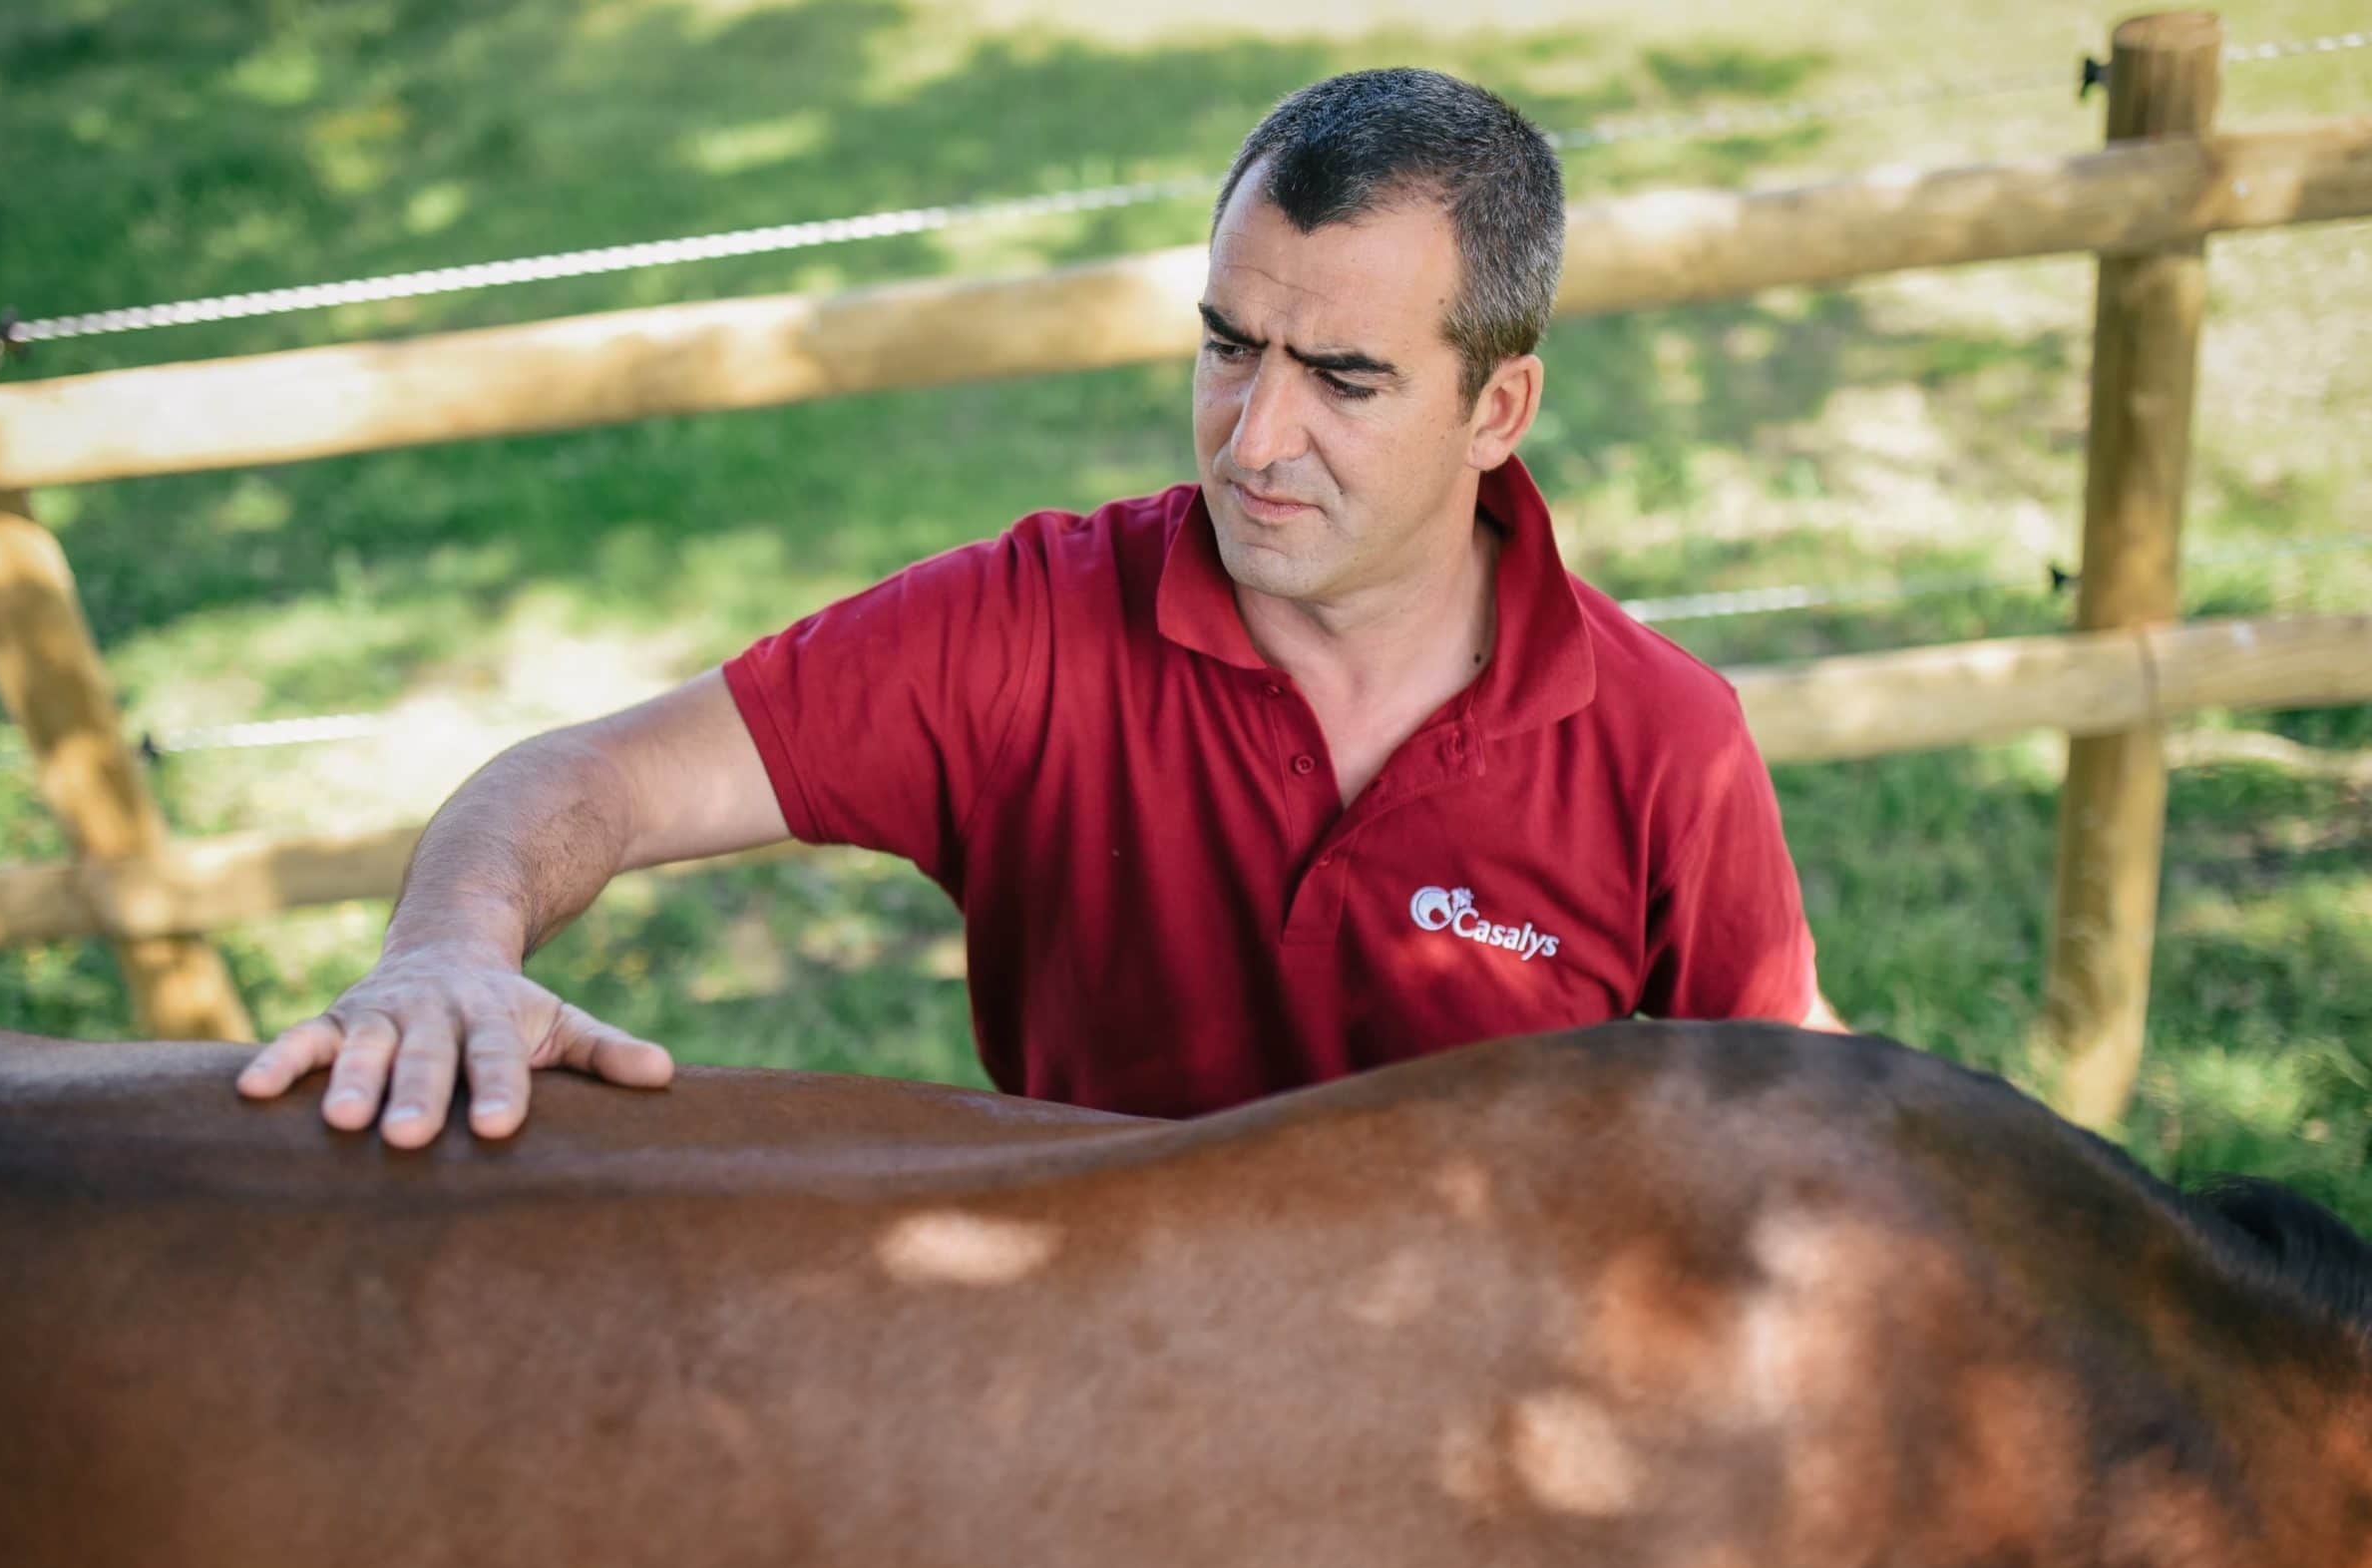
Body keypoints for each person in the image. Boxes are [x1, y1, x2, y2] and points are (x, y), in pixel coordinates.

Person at [237, 67, 1845, 1146]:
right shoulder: (1033, 628)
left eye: (1344, 378)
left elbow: (1799, 1106)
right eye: (1229, 344)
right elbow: (586, 777)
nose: (1254, 436)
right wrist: (447, 945)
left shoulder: (1664, 741)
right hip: (1092, 1394)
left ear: (1498, 412)